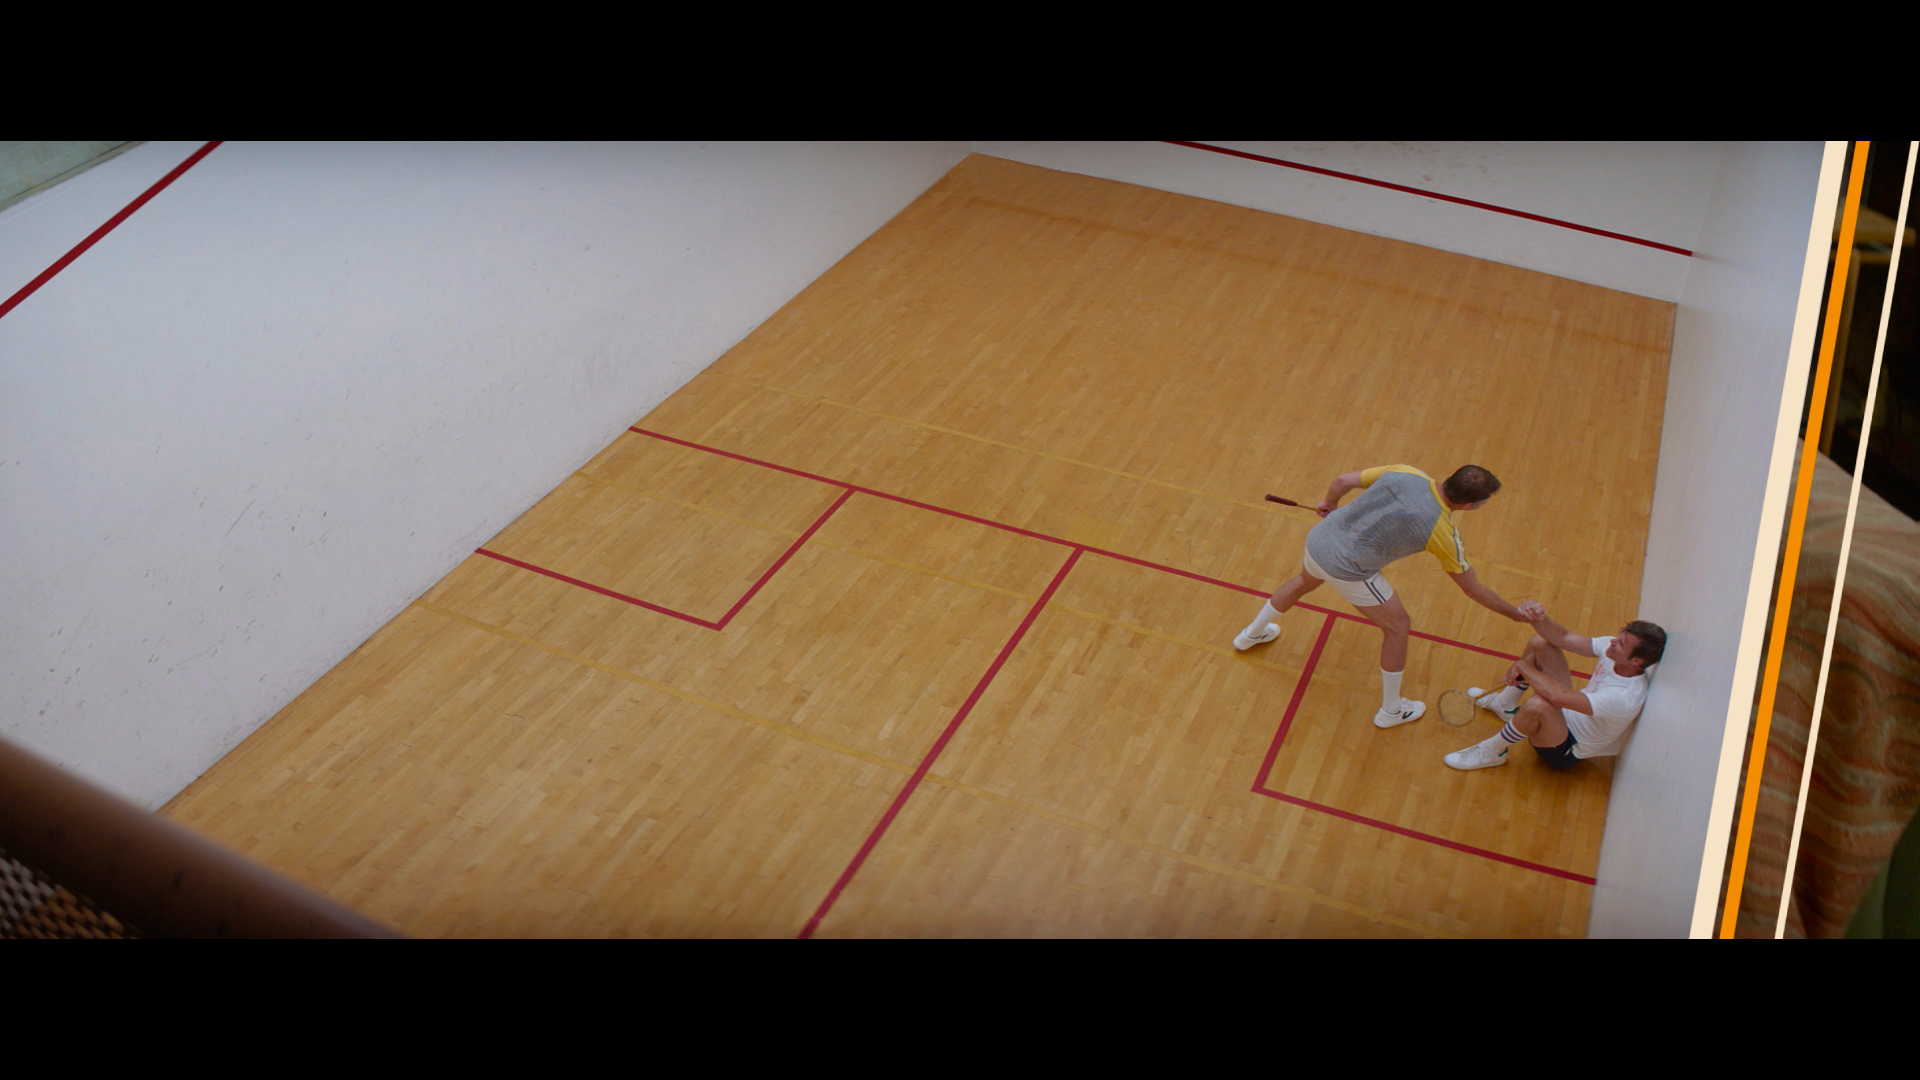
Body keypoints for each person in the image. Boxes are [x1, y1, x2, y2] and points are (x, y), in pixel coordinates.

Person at [1234, 464, 1534, 728]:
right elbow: (1471, 588)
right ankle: (1392, 710)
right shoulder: (1442, 532)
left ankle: (1251, 634)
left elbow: (1342, 480)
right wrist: (1514, 614)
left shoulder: (1407, 472)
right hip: (1348, 570)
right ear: (1468, 505)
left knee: (1303, 581)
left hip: (1319, 540)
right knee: (1397, 627)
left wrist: (1329, 503)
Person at [1443, 608, 1666, 771]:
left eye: (1622, 644)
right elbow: (1564, 638)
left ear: (1637, 661)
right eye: (1619, 636)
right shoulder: (1613, 651)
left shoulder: (1624, 697)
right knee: (1540, 643)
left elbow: (1558, 697)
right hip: (1565, 713)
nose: (1613, 642)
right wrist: (1539, 619)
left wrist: (1523, 667)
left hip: (1566, 748)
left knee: (1538, 705)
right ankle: (1505, 705)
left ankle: (1492, 751)